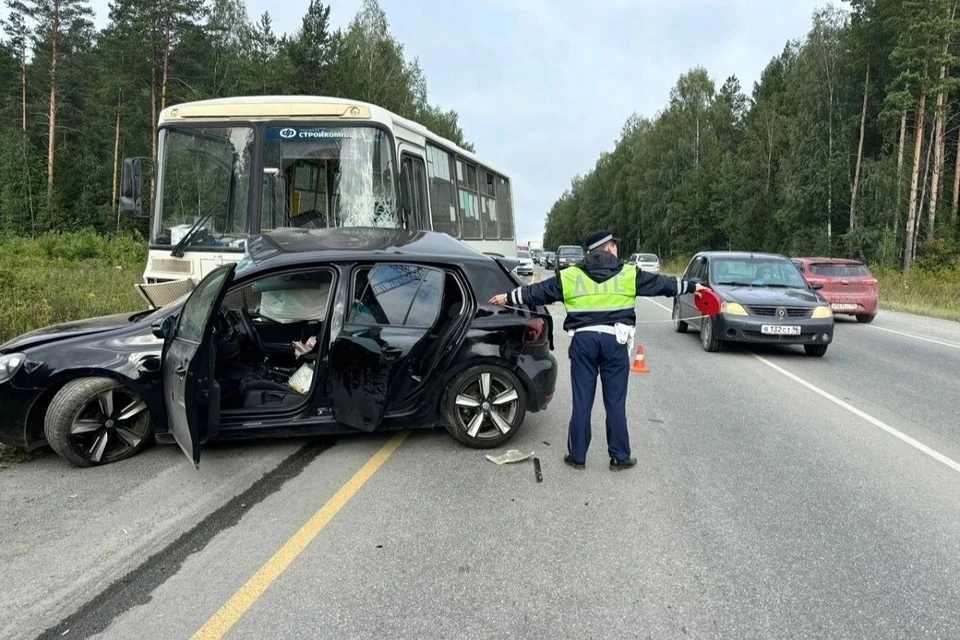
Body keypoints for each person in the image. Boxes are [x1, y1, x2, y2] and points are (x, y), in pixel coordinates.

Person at [489, 230, 706, 471]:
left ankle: (577, 457)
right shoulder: (628, 273)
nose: (617, 250)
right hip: (615, 343)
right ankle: (620, 457)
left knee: (582, 401)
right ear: (609, 247)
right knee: (615, 403)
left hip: (583, 343)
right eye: (615, 245)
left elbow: (538, 291)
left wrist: (507, 296)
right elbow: (662, 285)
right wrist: (691, 287)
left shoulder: (571, 275)